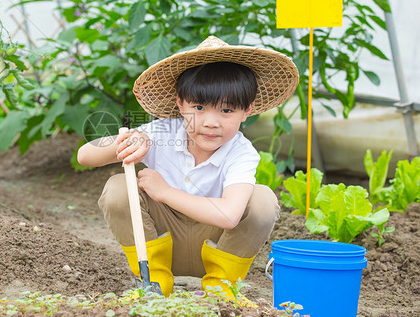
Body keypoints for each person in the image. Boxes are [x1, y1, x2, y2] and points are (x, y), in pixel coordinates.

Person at [77, 36, 299, 297]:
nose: (210, 122)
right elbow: (84, 155)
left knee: (262, 199)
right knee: (118, 186)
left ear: (247, 111)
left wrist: (165, 192)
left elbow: (228, 216)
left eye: (226, 111)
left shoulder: (241, 153)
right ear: (181, 105)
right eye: (199, 107)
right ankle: (155, 283)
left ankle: (221, 289)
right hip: (161, 240)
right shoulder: (162, 132)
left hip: (217, 244)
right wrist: (130, 140)